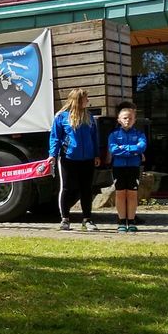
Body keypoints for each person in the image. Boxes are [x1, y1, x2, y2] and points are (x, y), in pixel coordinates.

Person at [49, 89, 101, 232]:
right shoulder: (61, 117)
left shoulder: (89, 117)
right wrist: (52, 154)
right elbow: (55, 137)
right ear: (77, 100)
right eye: (85, 98)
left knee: (86, 189)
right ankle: (65, 219)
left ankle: (87, 220)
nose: (88, 101)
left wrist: (96, 154)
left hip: (88, 159)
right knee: (67, 188)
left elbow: (94, 137)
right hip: (68, 158)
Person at [107, 104, 145, 233]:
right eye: (124, 118)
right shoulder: (113, 135)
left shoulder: (139, 134)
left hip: (133, 167)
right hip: (119, 167)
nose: (127, 120)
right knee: (120, 193)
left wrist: (124, 148)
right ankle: (122, 221)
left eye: (130, 118)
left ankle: (132, 220)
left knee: (132, 194)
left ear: (134, 120)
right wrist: (133, 151)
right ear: (119, 120)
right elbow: (113, 150)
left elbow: (141, 147)